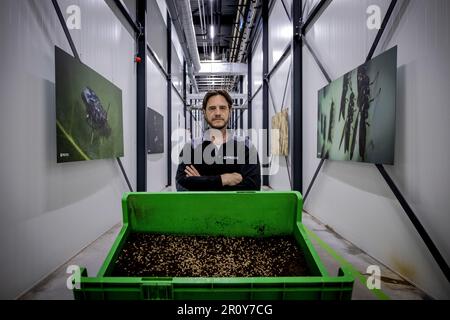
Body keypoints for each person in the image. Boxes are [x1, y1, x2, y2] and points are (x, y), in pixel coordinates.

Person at [176, 90, 261, 191]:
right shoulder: (191, 147)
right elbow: (181, 186)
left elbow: (253, 187)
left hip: (236, 207)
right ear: (204, 112)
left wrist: (200, 182)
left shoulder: (246, 146)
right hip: (200, 207)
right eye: (212, 108)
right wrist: (223, 179)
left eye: (222, 108)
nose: (217, 113)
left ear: (230, 111)